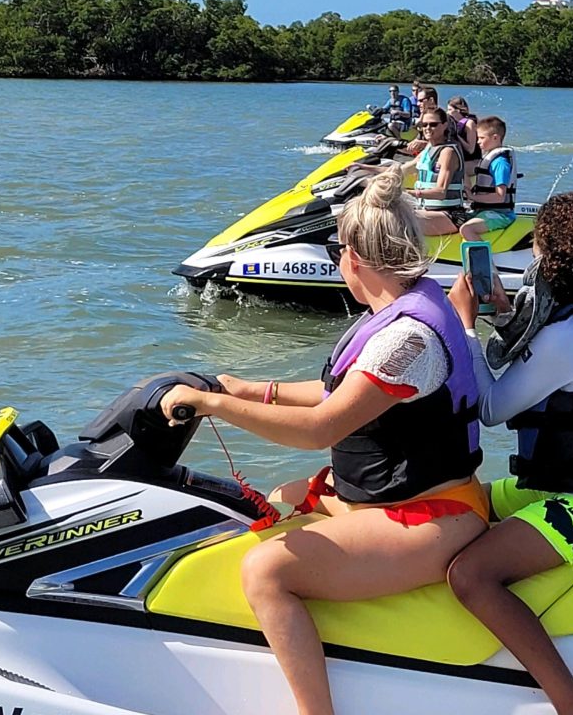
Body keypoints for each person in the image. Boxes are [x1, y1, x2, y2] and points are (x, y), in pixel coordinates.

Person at [161, 166, 487, 715]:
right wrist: (253, 388)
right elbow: (342, 393)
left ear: (353, 258)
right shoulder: (403, 310)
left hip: (435, 517)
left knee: (265, 571)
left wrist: (213, 404)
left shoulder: (409, 337)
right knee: (275, 498)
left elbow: (322, 428)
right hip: (396, 501)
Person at [447, 190, 573, 715]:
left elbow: (489, 407)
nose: (531, 259)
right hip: (556, 482)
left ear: (557, 259)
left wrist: (464, 323)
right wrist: (506, 316)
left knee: (470, 575)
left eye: (536, 250)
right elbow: (544, 353)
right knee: (455, 509)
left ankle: (571, 706)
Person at [405, 106, 468, 236]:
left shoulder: (448, 152)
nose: (428, 128)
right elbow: (403, 169)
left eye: (433, 124)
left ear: (445, 125)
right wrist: (368, 171)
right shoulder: (429, 148)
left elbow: (441, 192)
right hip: (426, 209)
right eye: (424, 124)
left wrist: (406, 193)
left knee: (400, 221)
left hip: (450, 215)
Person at [460, 116, 518, 243]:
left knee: (467, 229)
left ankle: (486, 262)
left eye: (481, 138)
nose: (478, 142)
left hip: (501, 214)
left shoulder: (500, 163)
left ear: (495, 137)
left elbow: (499, 196)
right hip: (484, 210)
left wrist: (472, 197)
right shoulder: (488, 159)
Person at [447, 95, 481, 178]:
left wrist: (457, 136)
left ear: (458, 110)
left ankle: (466, 189)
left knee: (451, 169)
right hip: (461, 160)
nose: (447, 112)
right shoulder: (452, 123)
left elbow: (470, 149)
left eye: (450, 110)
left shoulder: (470, 123)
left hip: (473, 161)